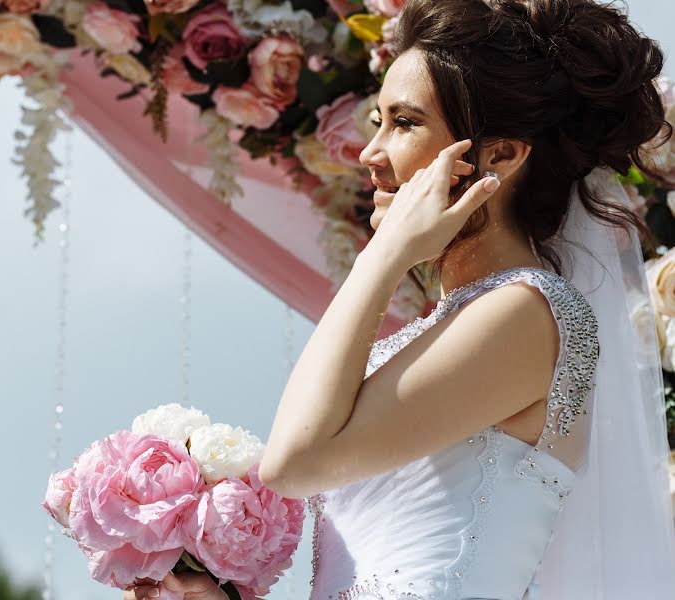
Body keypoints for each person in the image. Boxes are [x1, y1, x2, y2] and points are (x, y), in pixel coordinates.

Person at [124, 0, 675, 598]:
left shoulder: (525, 312)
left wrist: (382, 258)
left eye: (404, 123)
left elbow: (294, 464)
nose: (370, 153)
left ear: (501, 156)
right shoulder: (452, 324)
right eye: (376, 121)